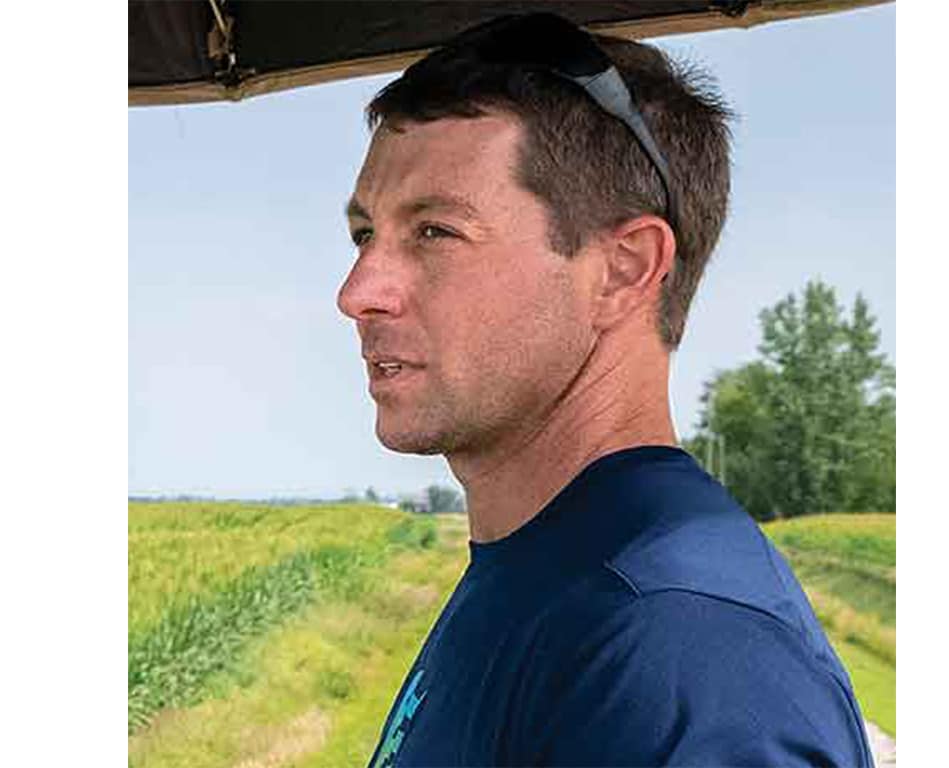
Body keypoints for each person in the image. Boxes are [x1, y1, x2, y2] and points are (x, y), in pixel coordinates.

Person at [337, 12, 874, 768]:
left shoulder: (679, 651)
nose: (359, 291)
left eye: (435, 232)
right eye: (366, 235)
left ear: (622, 270)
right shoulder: (546, 571)